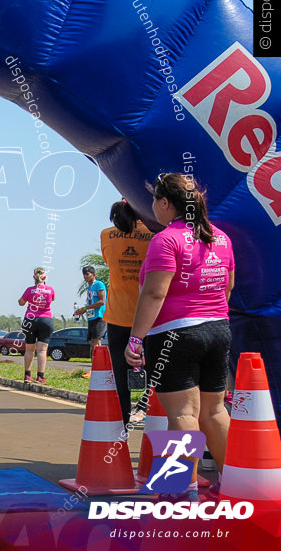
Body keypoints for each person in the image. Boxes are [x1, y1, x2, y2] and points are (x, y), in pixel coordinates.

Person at [125, 173, 233, 500]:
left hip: (175, 334)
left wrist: (136, 339)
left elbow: (154, 294)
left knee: (183, 413)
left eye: (155, 201)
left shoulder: (166, 239)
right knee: (214, 411)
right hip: (218, 329)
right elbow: (226, 288)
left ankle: (177, 491)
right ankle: (239, 483)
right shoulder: (221, 238)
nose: (153, 207)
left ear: (165, 203)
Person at [101, 200, 154, 424]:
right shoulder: (154, 235)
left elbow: (107, 261)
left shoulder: (106, 235)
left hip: (117, 316)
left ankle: (121, 426)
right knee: (156, 374)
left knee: (119, 376)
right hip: (150, 317)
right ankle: (153, 419)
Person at [19, 267, 55, 383]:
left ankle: (27, 375)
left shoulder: (30, 290)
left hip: (30, 320)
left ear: (34, 277)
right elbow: (53, 299)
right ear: (45, 277)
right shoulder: (50, 289)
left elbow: (21, 303)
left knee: (29, 350)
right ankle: (40, 376)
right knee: (42, 351)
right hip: (46, 320)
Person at [75, 266, 107, 368]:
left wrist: (85, 308)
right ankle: (98, 366)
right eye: (84, 274)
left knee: (94, 344)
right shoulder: (89, 287)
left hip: (99, 316)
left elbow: (101, 301)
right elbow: (91, 302)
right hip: (91, 317)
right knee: (96, 343)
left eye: (87, 274)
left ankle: (96, 367)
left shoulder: (99, 284)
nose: (85, 277)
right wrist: (82, 311)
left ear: (93, 274)